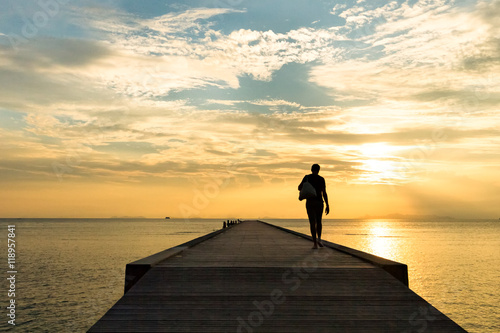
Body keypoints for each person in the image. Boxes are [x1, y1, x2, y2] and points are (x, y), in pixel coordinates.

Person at [298, 164, 330, 249]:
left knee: (312, 222)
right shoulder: (321, 179)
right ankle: (319, 239)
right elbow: (324, 193)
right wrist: (327, 204)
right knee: (319, 221)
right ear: (319, 170)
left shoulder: (307, 177)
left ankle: (315, 244)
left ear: (311, 169)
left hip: (310, 202)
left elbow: (299, 187)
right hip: (319, 202)